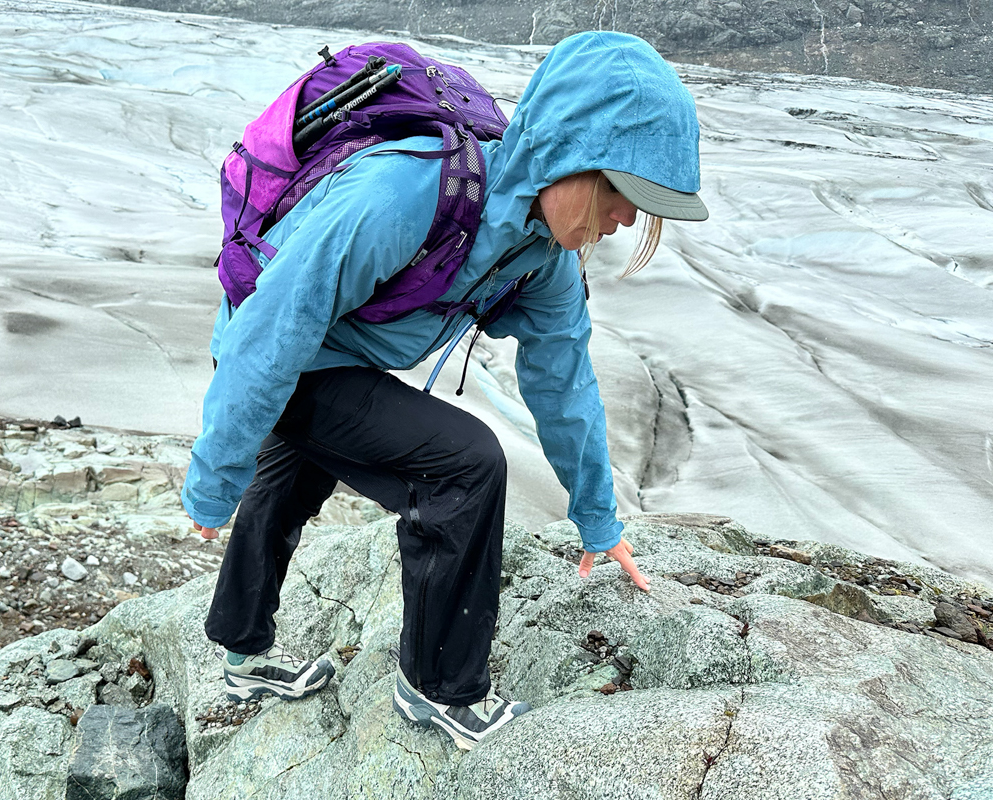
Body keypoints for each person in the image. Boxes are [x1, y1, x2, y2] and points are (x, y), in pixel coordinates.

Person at [182, 30, 708, 751]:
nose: (622, 221)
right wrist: (213, 479)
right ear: (567, 155)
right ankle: (438, 688)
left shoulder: (542, 260)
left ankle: (241, 651)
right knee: (464, 463)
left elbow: (565, 385)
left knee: (297, 466)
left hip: (330, 356)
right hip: (267, 347)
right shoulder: (405, 191)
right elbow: (273, 330)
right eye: (621, 194)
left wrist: (596, 517)